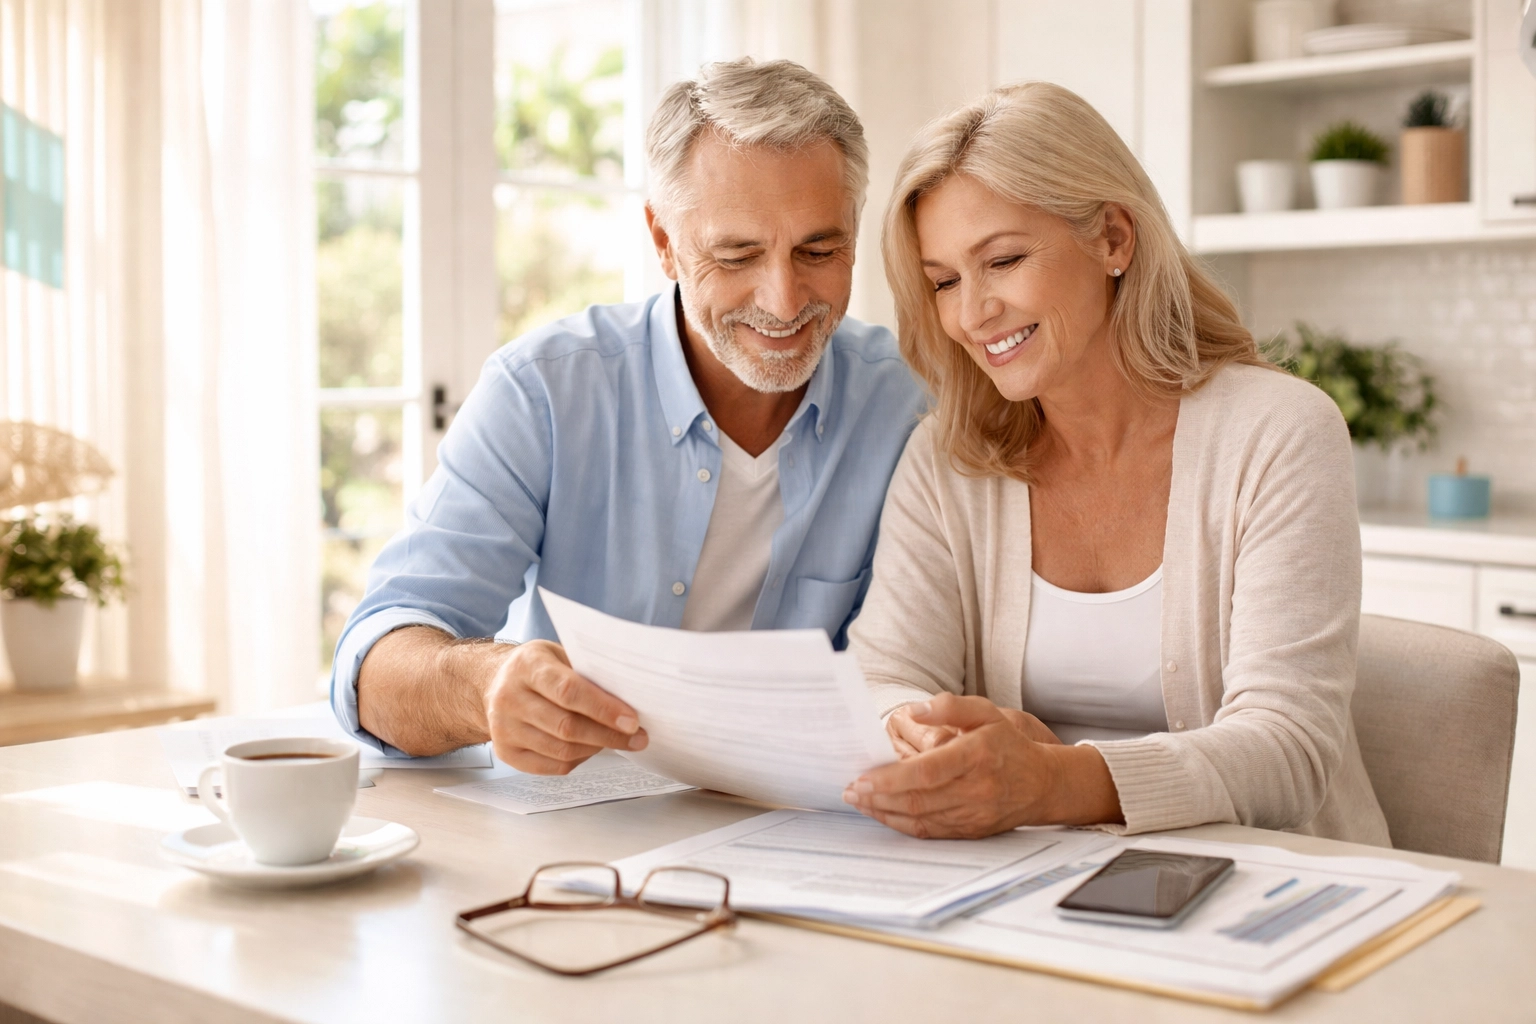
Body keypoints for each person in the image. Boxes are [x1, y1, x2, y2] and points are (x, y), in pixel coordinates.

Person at [332, 59, 924, 773]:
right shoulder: (543, 394)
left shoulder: (908, 407)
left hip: (810, 831)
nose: (782, 297)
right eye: (736, 255)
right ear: (664, 242)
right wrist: (485, 687)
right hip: (583, 833)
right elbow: (373, 666)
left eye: (819, 250)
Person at [841, 82, 1390, 846]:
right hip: (1037, 883)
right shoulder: (949, 461)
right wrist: (923, 731)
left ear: (1113, 239)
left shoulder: (1278, 433)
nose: (971, 314)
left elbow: (1287, 749)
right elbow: (880, 677)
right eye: (943, 282)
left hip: (1276, 883)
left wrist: (1051, 779)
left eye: (1002, 260)